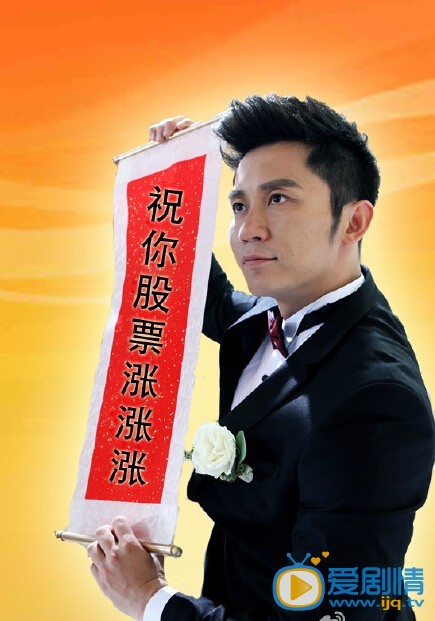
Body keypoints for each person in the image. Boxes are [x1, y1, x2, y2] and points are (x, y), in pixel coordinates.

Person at [87, 95, 435, 620]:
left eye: (278, 199)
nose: (249, 228)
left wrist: (151, 599)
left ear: (354, 222)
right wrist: (169, 182)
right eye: (239, 205)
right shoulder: (270, 314)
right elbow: (200, 293)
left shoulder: (375, 402)